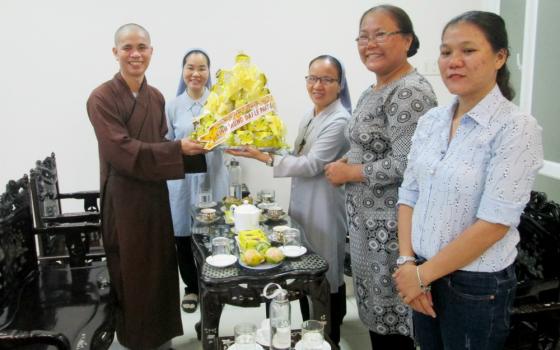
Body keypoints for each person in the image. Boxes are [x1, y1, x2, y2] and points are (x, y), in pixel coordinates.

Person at [393, 11, 544, 349]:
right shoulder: (432, 121)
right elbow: (409, 193)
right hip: (420, 272)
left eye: (469, 50)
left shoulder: (515, 127)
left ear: (500, 57)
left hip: (475, 287)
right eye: (446, 52)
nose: (454, 62)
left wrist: (420, 275)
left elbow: (495, 222)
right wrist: (407, 262)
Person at [86, 23, 208, 349]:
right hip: (125, 201)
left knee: (160, 271)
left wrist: (198, 148)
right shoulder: (100, 98)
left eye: (142, 47)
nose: (135, 54)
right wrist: (178, 150)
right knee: (133, 273)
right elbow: (122, 151)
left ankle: (162, 337)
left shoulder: (155, 97)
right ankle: (137, 340)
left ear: (151, 52)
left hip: (155, 196)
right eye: (127, 48)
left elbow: (164, 146)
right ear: (116, 53)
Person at [324, 5, 437, 349]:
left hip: (392, 232)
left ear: (407, 40)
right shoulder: (372, 89)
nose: (369, 43)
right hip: (365, 227)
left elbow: (408, 164)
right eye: (363, 36)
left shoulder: (410, 92)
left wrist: (349, 172)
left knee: (396, 325)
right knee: (375, 317)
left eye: (380, 34)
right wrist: (348, 159)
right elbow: (367, 144)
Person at [227, 55, 351, 347]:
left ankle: (329, 336)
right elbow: (294, 154)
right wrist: (257, 143)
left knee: (326, 271)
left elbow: (311, 165)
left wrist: (264, 157)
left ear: (339, 84)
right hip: (303, 203)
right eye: (312, 78)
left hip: (324, 204)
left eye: (326, 79)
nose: (317, 85)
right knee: (309, 269)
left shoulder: (340, 120)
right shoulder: (312, 115)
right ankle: (311, 331)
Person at [165, 49, 229, 313]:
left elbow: (231, 138)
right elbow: (166, 143)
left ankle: (215, 285)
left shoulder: (220, 103)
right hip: (181, 180)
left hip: (212, 177)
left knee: (213, 233)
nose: (196, 73)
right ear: (183, 71)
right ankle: (191, 288)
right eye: (190, 67)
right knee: (183, 235)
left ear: (209, 72)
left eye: (202, 68)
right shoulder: (172, 105)